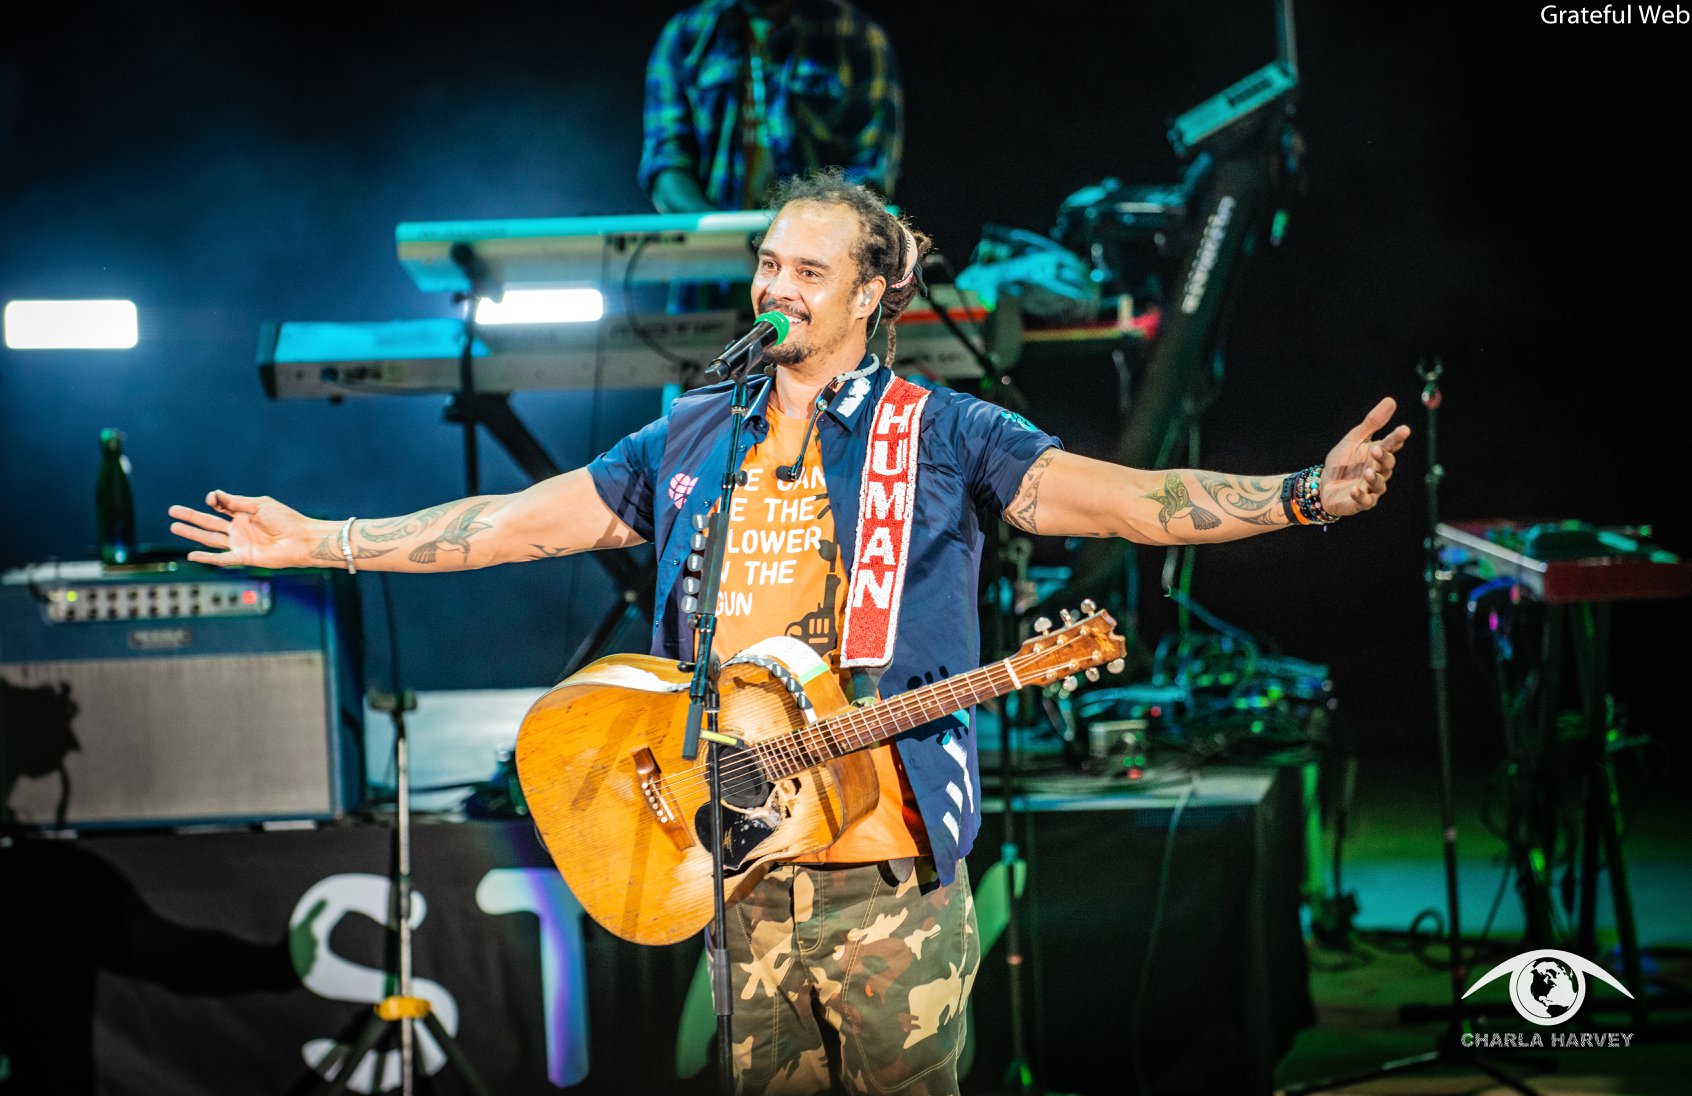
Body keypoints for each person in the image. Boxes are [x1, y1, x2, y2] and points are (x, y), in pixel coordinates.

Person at [169, 168, 1409, 1096]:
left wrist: (1300, 493)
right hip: (739, 869)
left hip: (888, 880)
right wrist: (324, 537)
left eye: (808, 270)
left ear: (875, 293)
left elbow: (1135, 503)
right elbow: (512, 523)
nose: (776, 286)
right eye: (769, 263)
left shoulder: (944, 433)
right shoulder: (693, 433)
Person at [640, 0, 902, 214]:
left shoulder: (855, 36)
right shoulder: (685, 34)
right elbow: (667, 161)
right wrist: (720, 236)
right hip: (709, 270)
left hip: (818, 260)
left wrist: (801, 232)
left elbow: (871, 170)